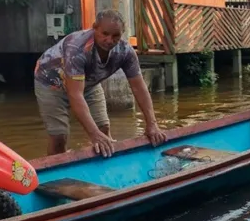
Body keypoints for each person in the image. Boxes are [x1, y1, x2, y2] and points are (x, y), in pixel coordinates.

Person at [33, 9, 167, 157]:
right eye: (104, 34)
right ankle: (55, 173)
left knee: (103, 128)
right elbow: (75, 94)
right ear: (94, 28)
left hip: (88, 83)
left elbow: (139, 87)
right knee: (59, 135)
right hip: (50, 82)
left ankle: (104, 166)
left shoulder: (125, 52)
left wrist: (152, 124)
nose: (109, 40)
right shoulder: (77, 48)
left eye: (115, 36)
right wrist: (93, 134)